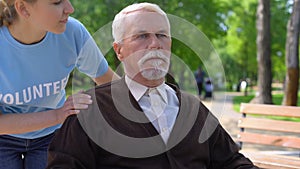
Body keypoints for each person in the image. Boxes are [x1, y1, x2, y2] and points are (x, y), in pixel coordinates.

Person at [46, 2, 258, 169]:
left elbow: (231, 162)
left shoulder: (194, 109)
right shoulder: (90, 110)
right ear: (119, 51)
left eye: (161, 35)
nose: (155, 43)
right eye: (142, 36)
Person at [0, 0, 116, 168]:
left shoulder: (73, 32)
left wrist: (151, 103)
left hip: (52, 135)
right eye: (57, 3)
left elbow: (110, 84)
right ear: (23, 8)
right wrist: (57, 115)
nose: (70, 9)